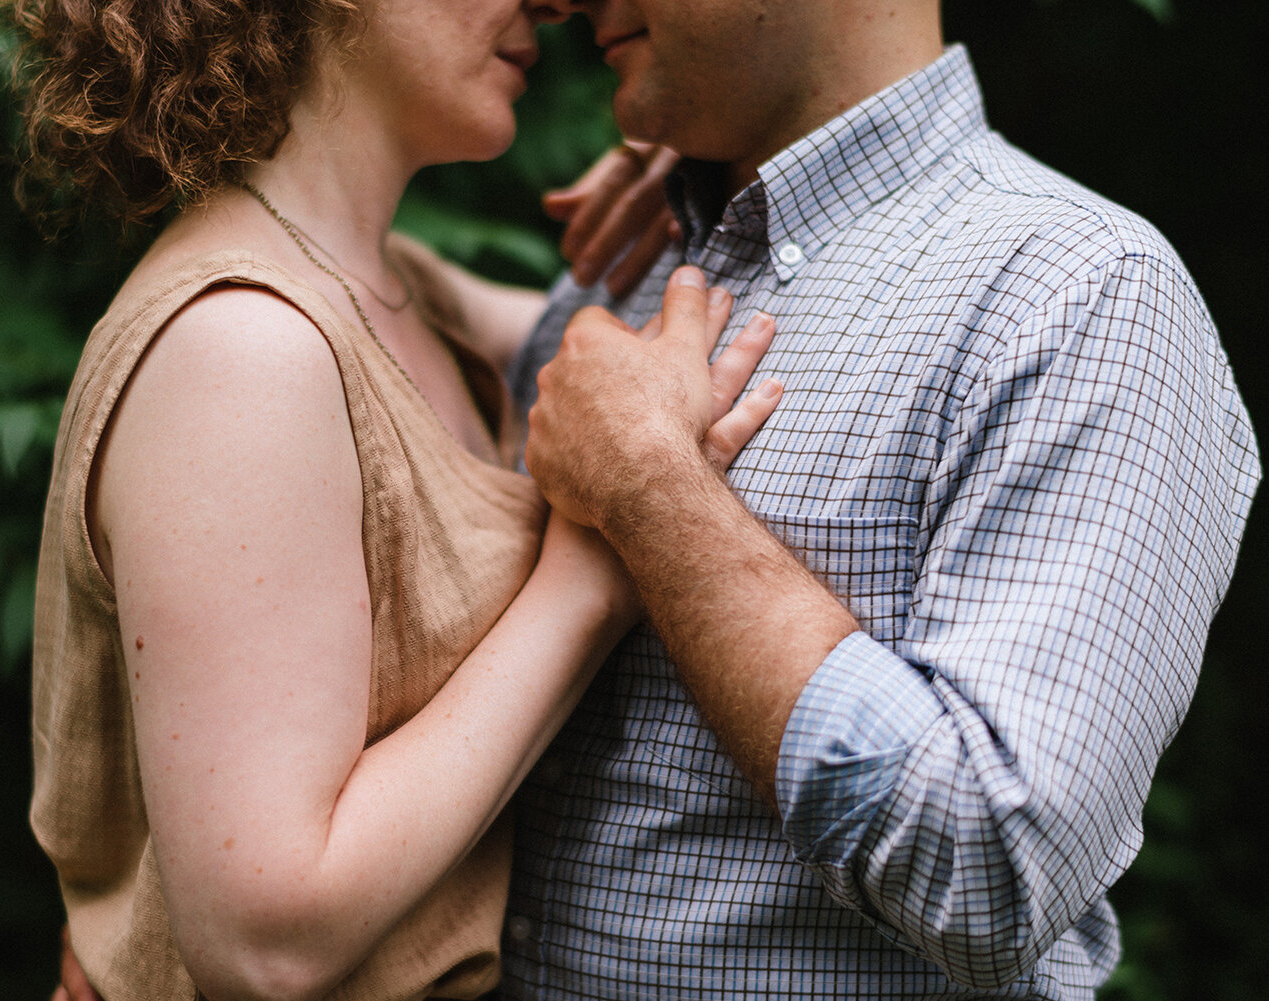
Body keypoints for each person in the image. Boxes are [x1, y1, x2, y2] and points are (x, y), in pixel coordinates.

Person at [5, 0, 783, 997]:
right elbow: (264, 945)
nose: (550, 5)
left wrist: (706, 183)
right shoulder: (244, 349)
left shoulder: (392, 287)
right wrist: (587, 580)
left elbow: (652, 361)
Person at [506, 0, 1261, 998]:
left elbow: (991, 872)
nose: (554, 4)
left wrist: (654, 489)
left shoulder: (1081, 293)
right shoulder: (627, 267)